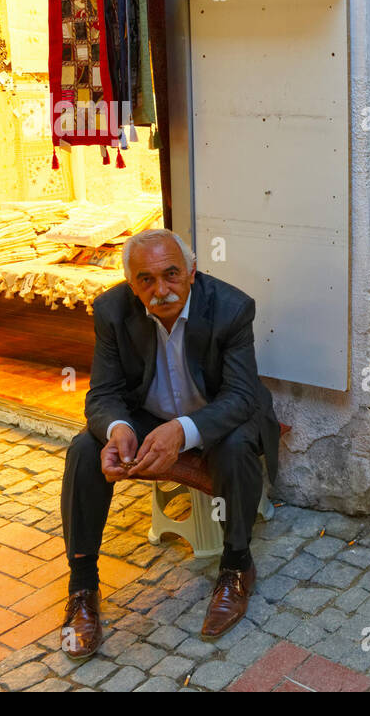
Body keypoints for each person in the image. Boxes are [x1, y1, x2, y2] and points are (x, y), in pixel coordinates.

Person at [59, 228, 281, 659]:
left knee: (236, 448)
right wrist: (118, 429)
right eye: (146, 280)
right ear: (131, 283)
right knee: (83, 450)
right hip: (150, 416)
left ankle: (236, 566)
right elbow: (102, 394)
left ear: (192, 272)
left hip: (218, 414)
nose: (160, 290)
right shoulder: (111, 310)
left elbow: (240, 396)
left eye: (171, 275)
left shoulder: (232, 309)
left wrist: (184, 430)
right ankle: (82, 587)